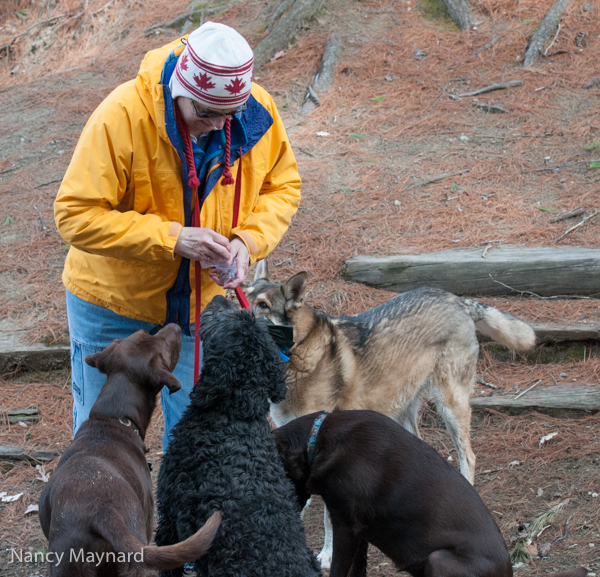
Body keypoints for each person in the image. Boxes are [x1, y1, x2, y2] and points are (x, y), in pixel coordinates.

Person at [54, 22, 301, 449]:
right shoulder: (123, 116)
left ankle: (185, 516)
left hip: (196, 309)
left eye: (229, 116)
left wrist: (247, 242)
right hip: (111, 307)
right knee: (101, 446)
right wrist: (172, 238)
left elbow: (283, 186)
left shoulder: (256, 112)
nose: (217, 125)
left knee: (197, 439)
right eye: (204, 113)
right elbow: (75, 214)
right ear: (178, 90)